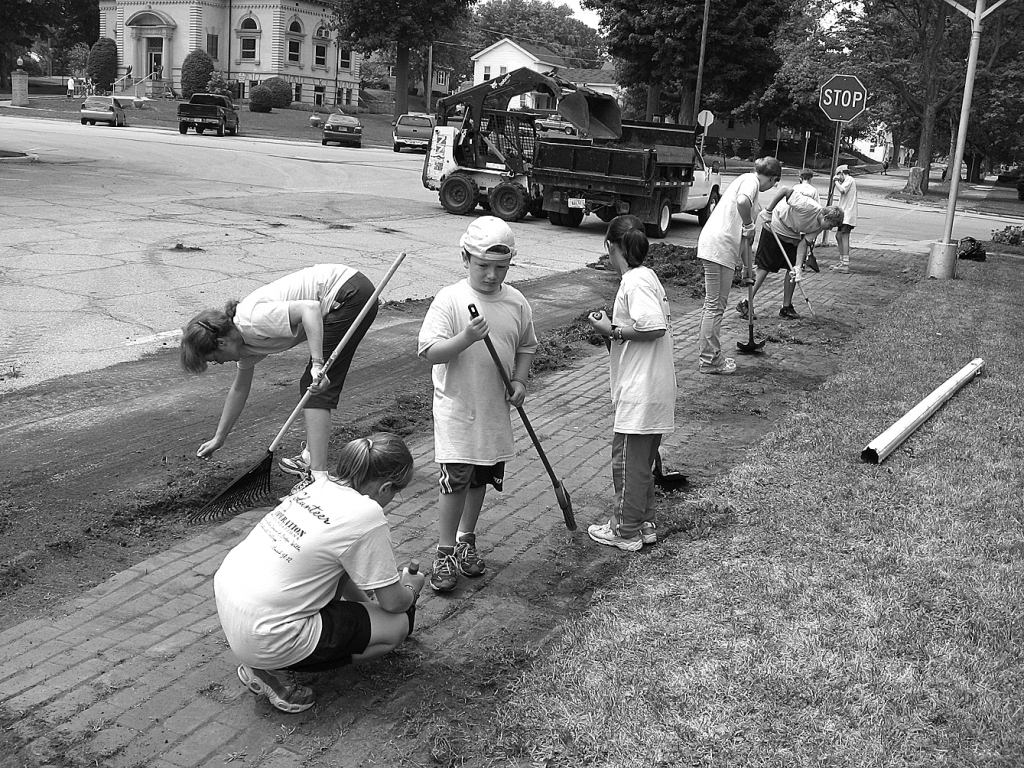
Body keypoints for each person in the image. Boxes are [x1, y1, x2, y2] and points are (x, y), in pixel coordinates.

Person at [214, 433, 423, 713]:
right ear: (385, 487)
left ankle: (268, 656)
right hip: (268, 633)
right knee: (397, 626)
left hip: (236, 607)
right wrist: (411, 589)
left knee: (347, 589)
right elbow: (393, 603)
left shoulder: (316, 486)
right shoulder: (367, 514)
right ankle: (273, 669)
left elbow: (342, 567)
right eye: (395, 492)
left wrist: (366, 608)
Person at [417, 216, 538, 593]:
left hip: (493, 410)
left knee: (481, 476)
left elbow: (527, 345)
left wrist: (519, 381)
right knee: (455, 480)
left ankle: (466, 540)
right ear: (465, 258)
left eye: (501, 267)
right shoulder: (450, 299)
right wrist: (466, 337)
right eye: (483, 265)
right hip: (457, 410)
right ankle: (444, 551)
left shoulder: (516, 302)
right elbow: (429, 352)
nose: (491, 275)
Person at [180, 264, 378, 485]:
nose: (218, 363)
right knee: (315, 384)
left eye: (213, 359)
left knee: (315, 383)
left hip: (348, 293)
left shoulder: (252, 321)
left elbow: (310, 309)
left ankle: (318, 477)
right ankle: (310, 459)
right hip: (349, 296)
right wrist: (219, 438)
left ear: (221, 343)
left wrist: (317, 364)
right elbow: (239, 388)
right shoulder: (244, 347)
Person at [585, 216, 676, 551]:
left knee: (626, 463)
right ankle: (644, 523)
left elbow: (653, 327)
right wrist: (611, 331)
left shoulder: (634, 282)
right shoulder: (647, 277)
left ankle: (624, 530)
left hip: (642, 389)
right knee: (641, 465)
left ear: (611, 246)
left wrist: (613, 330)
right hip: (654, 385)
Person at [696, 156, 782, 375]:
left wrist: (746, 267)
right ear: (772, 178)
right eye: (774, 183)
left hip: (720, 246)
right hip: (719, 247)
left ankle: (710, 356)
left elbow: (745, 237)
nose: (772, 187)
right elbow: (743, 204)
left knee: (714, 305)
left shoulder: (748, 185)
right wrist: (749, 223)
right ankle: (710, 360)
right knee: (714, 306)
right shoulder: (751, 181)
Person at [736, 190, 844, 320]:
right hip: (774, 227)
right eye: (831, 225)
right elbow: (784, 190)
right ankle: (746, 302)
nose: (830, 229)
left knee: (792, 269)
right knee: (764, 267)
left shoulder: (820, 225)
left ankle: (786, 307)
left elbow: (804, 243)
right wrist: (768, 211)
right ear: (825, 217)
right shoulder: (807, 205)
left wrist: (798, 267)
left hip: (792, 235)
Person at [793, 169, 821, 272]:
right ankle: (802, 262)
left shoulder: (796, 188)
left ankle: (794, 261)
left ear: (800, 178)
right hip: (808, 219)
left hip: (795, 218)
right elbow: (818, 206)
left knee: (795, 240)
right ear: (811, 178)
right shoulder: (813, 190)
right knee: (804, 241)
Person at [832, 164, 858, 273]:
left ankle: (845, 264)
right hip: (844, 215)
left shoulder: (849, 180)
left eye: (839, 176)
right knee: (838, 236)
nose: (839, 179)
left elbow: (842, 190)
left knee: (844, 236)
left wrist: (835, 181)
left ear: (842, 173)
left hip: (848, 215)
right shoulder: (847, 181)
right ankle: (842, 260)